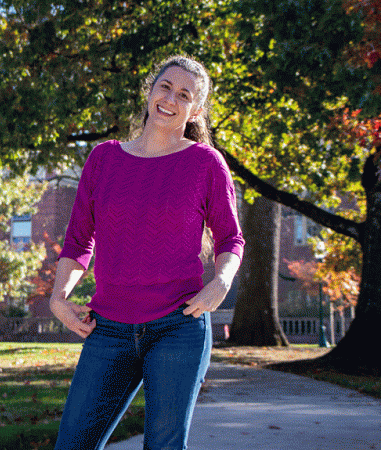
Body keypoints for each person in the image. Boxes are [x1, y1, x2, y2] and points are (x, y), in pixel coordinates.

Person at [50, 55, 245, 450]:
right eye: (165, 87)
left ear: (196, 109)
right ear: (150, 91)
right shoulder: (104, 158)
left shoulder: (205, 164)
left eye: (184, 94)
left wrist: (221, 282)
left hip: (178, 325)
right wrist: (59, 297)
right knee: (72, 444)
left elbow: (230, 239)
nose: (170, 99)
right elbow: (78, 241)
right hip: (108, 327)